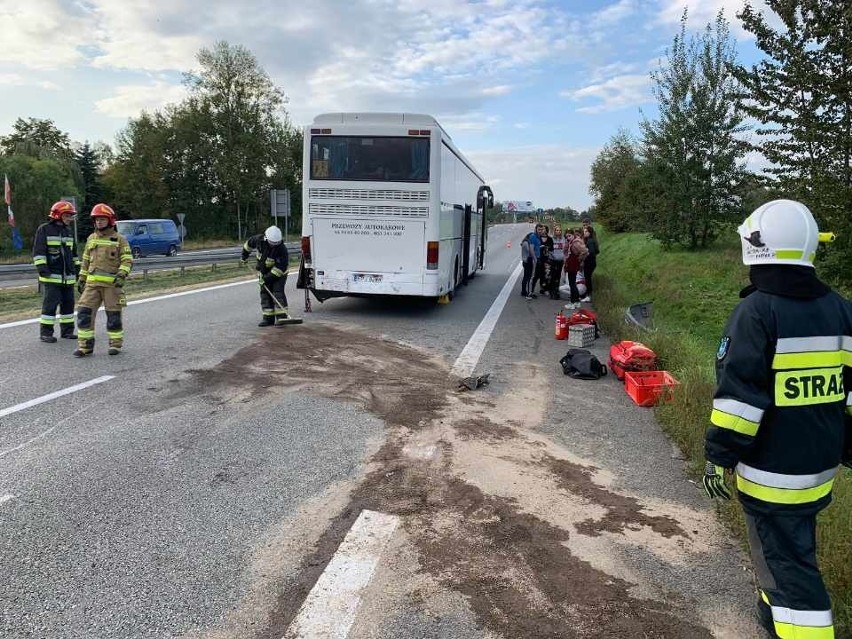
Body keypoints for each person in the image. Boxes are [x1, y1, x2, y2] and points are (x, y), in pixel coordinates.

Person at [702, 200, 852, 639]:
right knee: (787, 549)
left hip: (772, 473)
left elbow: (740, 403)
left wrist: (718, 456)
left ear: (757, 248)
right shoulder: (841, 310)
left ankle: (800, 626)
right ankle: (772, 612)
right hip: (817, 470)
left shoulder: (758, 313)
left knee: (790, 566)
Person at [74, 204, 133, 357]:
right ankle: (85, 346)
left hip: (112, 286)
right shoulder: (91, 238)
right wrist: (81, 278)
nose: (99, 222)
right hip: (92, 285)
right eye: (96, 220)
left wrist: (121, 275)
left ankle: (115, 345)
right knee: (84, 313)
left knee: (113, 316)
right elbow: (85, 260)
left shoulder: (120, 240)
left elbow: (127, 260)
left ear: (110, 220)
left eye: (102, 219)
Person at [32, 201, 81, 343]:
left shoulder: (69, 231)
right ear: (58, 215)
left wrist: (77, 269)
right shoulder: (44, 230)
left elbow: (74, 253)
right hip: (52, 277)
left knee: (68, 305)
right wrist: (42, 269)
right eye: (67, 215)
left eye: (71, 216)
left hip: (68, 278)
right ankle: (46, 333)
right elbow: (38, 252)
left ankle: (67, 331)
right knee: (50, 306)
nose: (70, 218)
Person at [242, 225, 291, 325]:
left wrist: (266, 279)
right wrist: (244, 256)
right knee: (265, 293)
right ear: (266, 238)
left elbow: (280, 269)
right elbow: (248, 245)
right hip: (264, 271)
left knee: (277, 292)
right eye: (272, 243)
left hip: (279, 274)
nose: (273, 245)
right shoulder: (258, 240)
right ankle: (268, 318)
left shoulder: (282, 249)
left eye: (276, 243)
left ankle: (282, 317)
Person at [563, 228, 588, 309]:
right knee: (572, 284)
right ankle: (576, 301)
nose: (568, 238)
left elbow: (584, 251)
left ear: (573, 235)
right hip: (571, 264)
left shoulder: (575, 242)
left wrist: (579, 260)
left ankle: (573, 302)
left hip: (573, 265)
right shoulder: (571, 242)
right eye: (567, 236)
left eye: (569, 235)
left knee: (572, 284)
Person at [519, 224, 542, 299]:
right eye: (539, 229)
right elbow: (531, 251)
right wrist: (535, 259)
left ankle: (526, 291)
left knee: (528, 276)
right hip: (529, 260)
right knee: (528, 276)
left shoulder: (535, 238)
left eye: (541, 229)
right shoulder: (528, 242)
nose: (541, 231)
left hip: (529, 260)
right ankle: (527, 292)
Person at [581, 225, 600, 302]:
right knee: (588, 278)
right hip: (592, 262)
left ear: (590, 232)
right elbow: (597, 251)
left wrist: (585, 255)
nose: (584, 233)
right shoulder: (593, 240)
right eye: (584, 231)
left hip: (589, 262)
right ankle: (587, 294)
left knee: (588, 279)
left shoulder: (589, 241)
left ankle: (589, 296)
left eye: (586, 231)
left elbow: (591, 252)